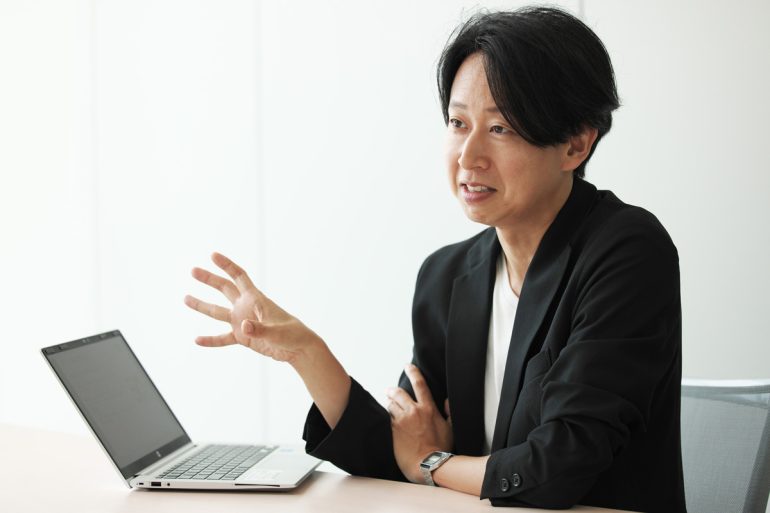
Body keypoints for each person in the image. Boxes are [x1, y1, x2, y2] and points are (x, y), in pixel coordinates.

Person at [184, 6, 686, 512]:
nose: (468, 157)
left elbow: (558, 468)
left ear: (575, 144)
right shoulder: (448, 275)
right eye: (458, 123)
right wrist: (306, 352)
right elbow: (396, 449)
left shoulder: (627, 252)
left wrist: (431, 462)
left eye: (500, 128)